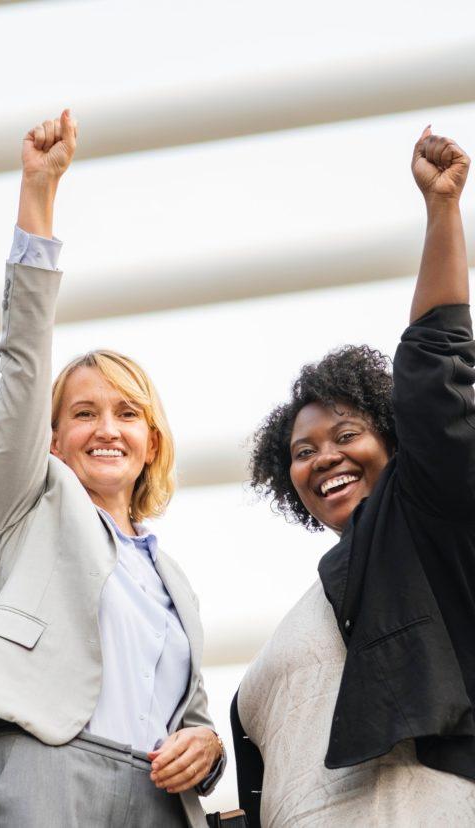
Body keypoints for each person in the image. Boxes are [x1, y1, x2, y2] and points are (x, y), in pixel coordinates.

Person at [0, 110, 224, 827]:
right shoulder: (29, 507)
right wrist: (39, 195)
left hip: (157, 797)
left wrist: (206, 746)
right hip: (50, 765)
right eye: (84, 413)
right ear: (53, 440)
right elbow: (25, 361)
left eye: (127, 413)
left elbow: (193, 711)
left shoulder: (170, 577)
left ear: (151, 442)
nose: (106, 428)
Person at [233, 128, 475, 826]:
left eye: (346, 435)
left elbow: (436, 370)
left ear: (395, 443)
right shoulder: (319, 597)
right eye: (303, 452)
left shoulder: (424, 526)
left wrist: (442, 211)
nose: (324, 458)